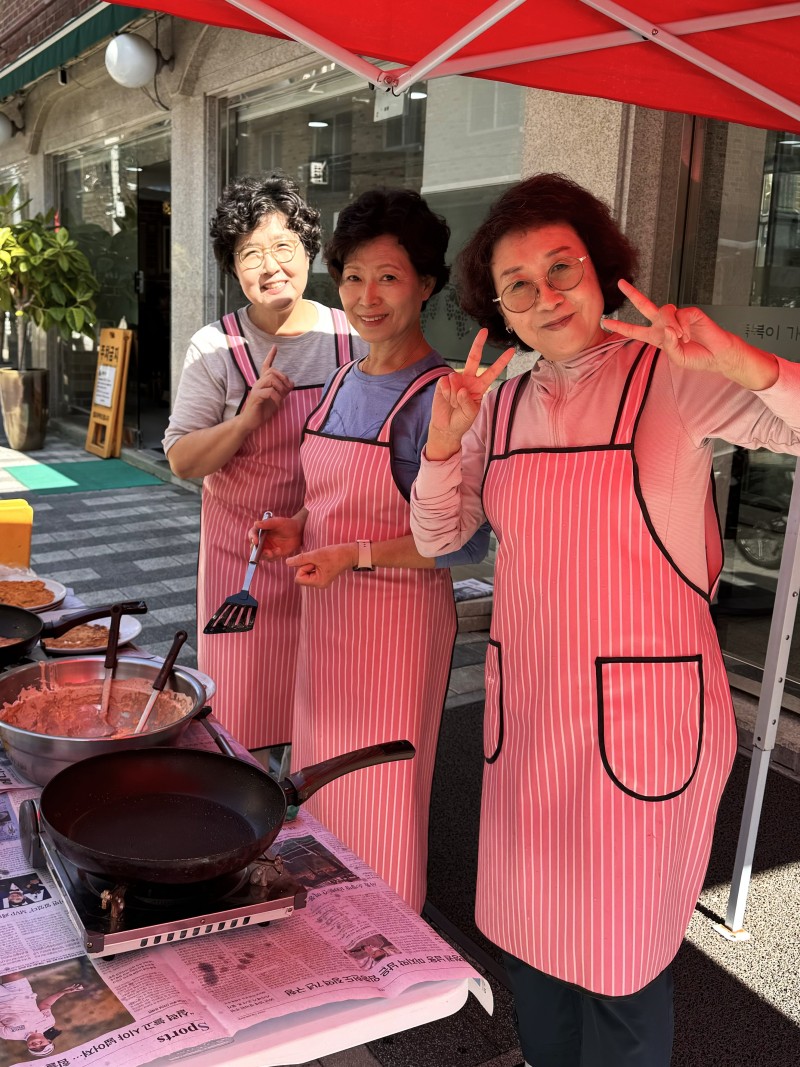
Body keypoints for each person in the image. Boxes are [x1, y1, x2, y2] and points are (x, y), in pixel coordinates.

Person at [409, 173, 800, 1066]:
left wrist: (742, 361)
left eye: (563, 268)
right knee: (536, 950)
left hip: (647, 722)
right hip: (533, 718)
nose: (545, 297)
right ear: (496, 307)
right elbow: (440, 536)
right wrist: (441, 442)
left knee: (622, 967)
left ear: (603, 270)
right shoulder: (495, 404)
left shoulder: (675, 376)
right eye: (518, 285)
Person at [250, 188, 489, 912]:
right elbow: (327, 495)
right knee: (319, 779)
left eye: (388, 276)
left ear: (426, 283)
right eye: (353, 276)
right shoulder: (343, 379)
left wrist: (354, 552)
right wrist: (296, 523)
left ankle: (390, 942)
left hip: (396, 628)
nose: (367, 295)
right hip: (325, 619)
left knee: (379, 787)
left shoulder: (439, 397)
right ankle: (328, 923)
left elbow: (466, 541)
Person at [163, 174, 366, 750]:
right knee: (242, 714)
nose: (270, 264)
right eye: (250, 253)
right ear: (233, 269)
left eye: (283, 246)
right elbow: (181, 458)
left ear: (309, 253)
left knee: (324, 709)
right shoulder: (217, 346)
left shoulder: (351, 336)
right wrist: (246, 419)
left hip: (329, 547)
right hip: (241, 560)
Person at [0, 973, 83, 1058]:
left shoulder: (8, 1035)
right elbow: (45, 1005)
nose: (36, 1045)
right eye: (43, 1046)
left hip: (1, 1000)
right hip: (22, 993)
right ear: (49, 1041)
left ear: (29, 1047)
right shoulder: (49, 1023)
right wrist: (62, 992)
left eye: (34, 1049)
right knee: (12, 973)